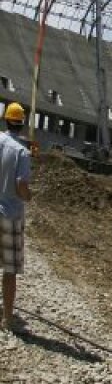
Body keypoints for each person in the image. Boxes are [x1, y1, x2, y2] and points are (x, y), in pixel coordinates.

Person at [0, 103, 33, 335]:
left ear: (5, 120)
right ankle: (7, 319)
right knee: (9, 270)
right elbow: (22, 185)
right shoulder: (22, 151)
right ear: (22, 123)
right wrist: (29, 196)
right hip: (10, 214)